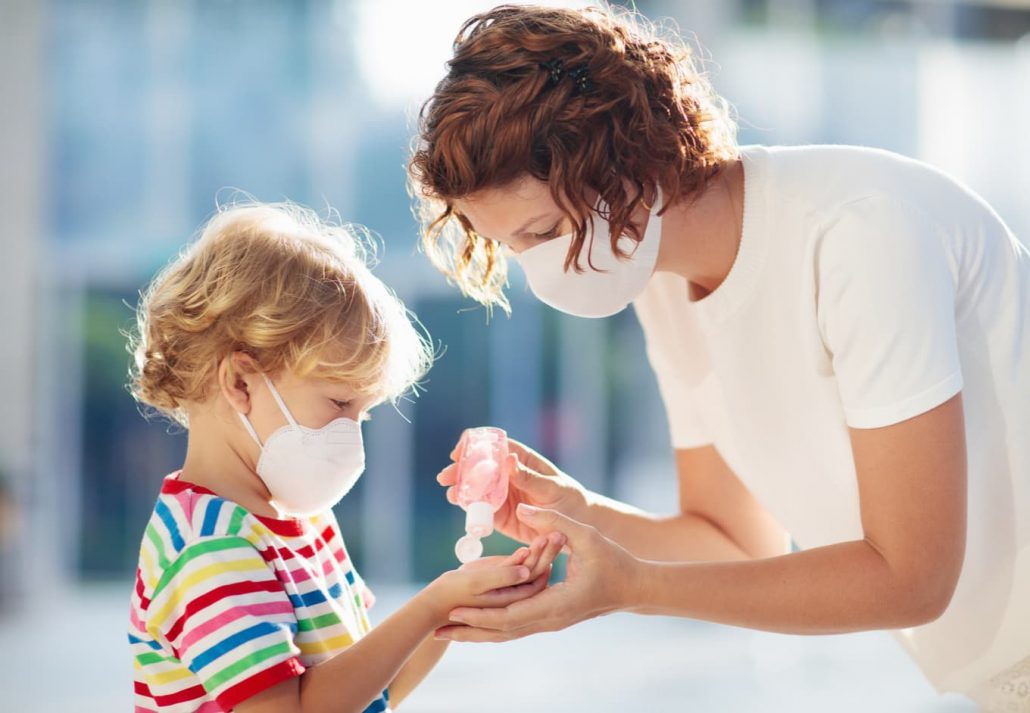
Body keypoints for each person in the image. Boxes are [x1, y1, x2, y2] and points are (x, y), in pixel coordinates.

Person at [408, 4, 1030, 710]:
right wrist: (579, 513)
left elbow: (911, 576)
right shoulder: (665, 287)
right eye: (514, 249)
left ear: (624, 161)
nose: (538, 270)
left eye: (544, 231)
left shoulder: (858, 233)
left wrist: (634, 587)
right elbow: (735, 542)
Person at [126, 202, 565, 712]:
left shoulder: (304, 519)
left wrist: (455, 607)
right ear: (240, 382)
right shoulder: (208, 548)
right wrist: (431, 606)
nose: (352, 434)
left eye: (364, 412)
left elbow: (372, 694)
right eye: (339, 403)